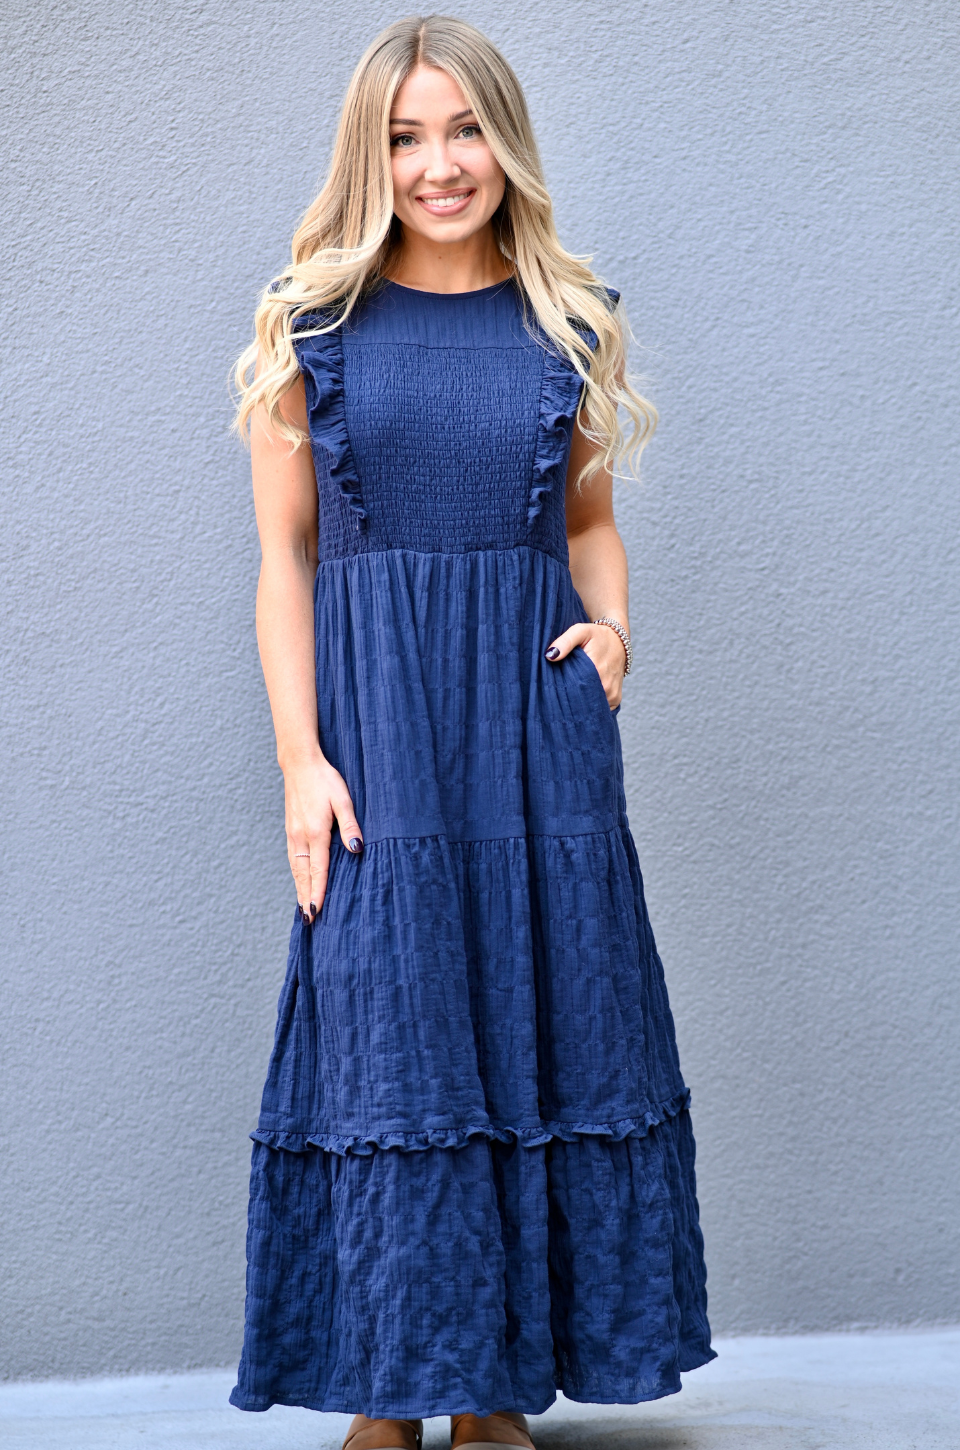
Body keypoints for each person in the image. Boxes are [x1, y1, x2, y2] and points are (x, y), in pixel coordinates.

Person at [229, 15, 714, 1449]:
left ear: (506, 140)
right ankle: (393, 1382)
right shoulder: (306, 326)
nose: (438, 164)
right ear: (366, 155)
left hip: (533, 733)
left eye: (463, 130)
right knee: (392, 1039)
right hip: (377, 737)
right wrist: (301, 764)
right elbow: (282, 569)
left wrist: (613, 634)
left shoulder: (569, 321)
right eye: (403, 136)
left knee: (531, 1026)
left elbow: (590, 524)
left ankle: (497, 1386)